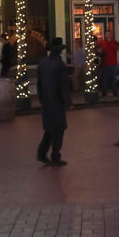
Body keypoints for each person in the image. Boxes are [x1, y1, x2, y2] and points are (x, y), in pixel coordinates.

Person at [36, 37, 71, 166]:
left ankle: (42, 152)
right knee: (59, 129)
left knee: (49, 129)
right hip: (57, 102)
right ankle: (55, 155)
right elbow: (63, 86)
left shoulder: (43, 63)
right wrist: (67, 102)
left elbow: (39, 84)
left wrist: (42, 99)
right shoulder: (59, 65)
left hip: (46, 101)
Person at [99, 30, 119, 97]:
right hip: (105, 63)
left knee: (113, 78)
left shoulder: (114, 42)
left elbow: (118, 49)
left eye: (109, 34)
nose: (107, 35)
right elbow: (98, 48)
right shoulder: (102, 42)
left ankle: (115, 91)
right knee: (104, 78)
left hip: (113, 63)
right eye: (106, 34)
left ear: (111, 35)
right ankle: (104, 92)